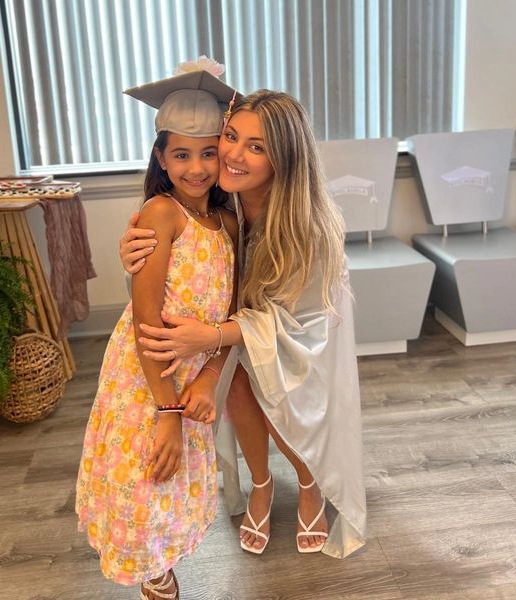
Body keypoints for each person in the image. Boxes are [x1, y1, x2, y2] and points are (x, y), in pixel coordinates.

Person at [121, 89, 367, 558]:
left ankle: (310, 482)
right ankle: (261, 482)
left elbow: (299, 321)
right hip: (235, 326)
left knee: (281, 392)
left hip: (303, 331)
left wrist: (213, 336)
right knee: (236, 382)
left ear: (284, 159)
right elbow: (178, 264)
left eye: (256, 147)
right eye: (231, 136)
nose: (233, 154)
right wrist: (136, 252)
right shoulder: (217, 199)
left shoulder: (307, 226)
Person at [76, 69, 239, 600]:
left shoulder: (228, 224)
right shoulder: (161, 213)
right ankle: (153, 576)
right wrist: (167, 410)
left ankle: (161, 564)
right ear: (161, 159)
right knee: (144, 476)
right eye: (182, 154)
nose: (197, 167)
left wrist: (209, 376)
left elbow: (234, 312)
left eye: (208, 153)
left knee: (175, 479)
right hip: (146, 380)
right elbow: (146, 322)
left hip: (191, 380)